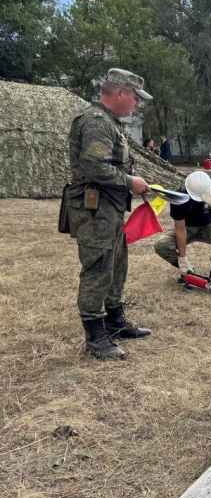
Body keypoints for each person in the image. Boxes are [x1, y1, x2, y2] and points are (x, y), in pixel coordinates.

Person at [66, 68, 153, 360]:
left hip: (110, 207)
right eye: (135, 98)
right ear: (120, 93)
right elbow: (93, 167)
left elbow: (111, 164)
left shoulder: (110, 122)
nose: (137, 104)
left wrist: (134, 185)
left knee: (116, 264)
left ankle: (115, 320)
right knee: (98, 267)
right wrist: (131, 183)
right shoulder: (96, 121)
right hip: (94, 210)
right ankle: (95, 337)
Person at [154, 171, 211, 288]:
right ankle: (188, 271)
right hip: (187, 228)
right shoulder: (179, 197)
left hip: (208, 226)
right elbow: (180, 229)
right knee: (161, 245)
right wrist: (183, 258)